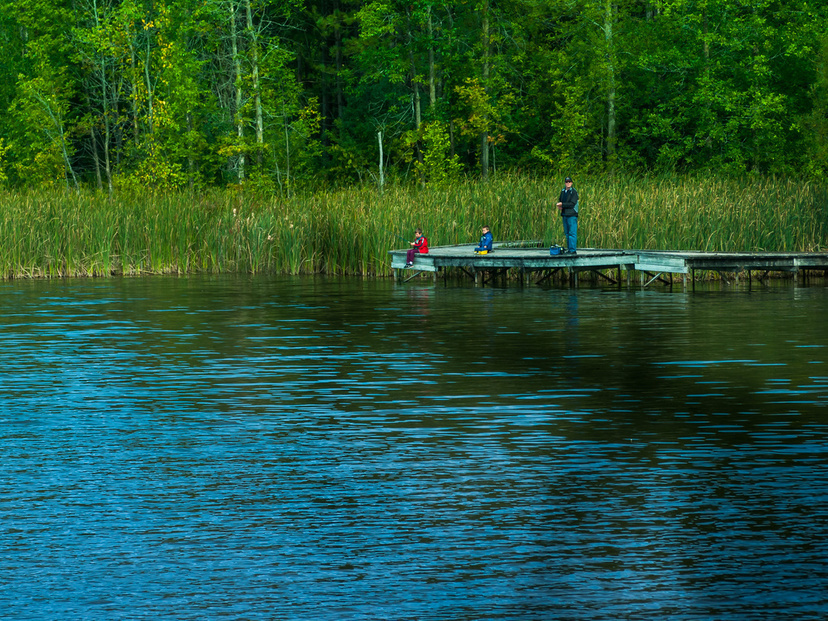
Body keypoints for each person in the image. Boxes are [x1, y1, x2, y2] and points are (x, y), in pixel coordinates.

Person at [556, 176, 579, 254]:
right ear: (565, 183)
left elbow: (572, 204)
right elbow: (560, 200)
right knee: (567, 233)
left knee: (572, 233)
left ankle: (572, 250)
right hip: (565, 214)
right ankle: (569, 249)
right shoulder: (563, 191)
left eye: (569, 182)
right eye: (567, 182)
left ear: (571, 183)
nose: (568, 183)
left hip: (572, 215)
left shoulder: (574, 192)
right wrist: (560, 206)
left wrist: (562, 204)